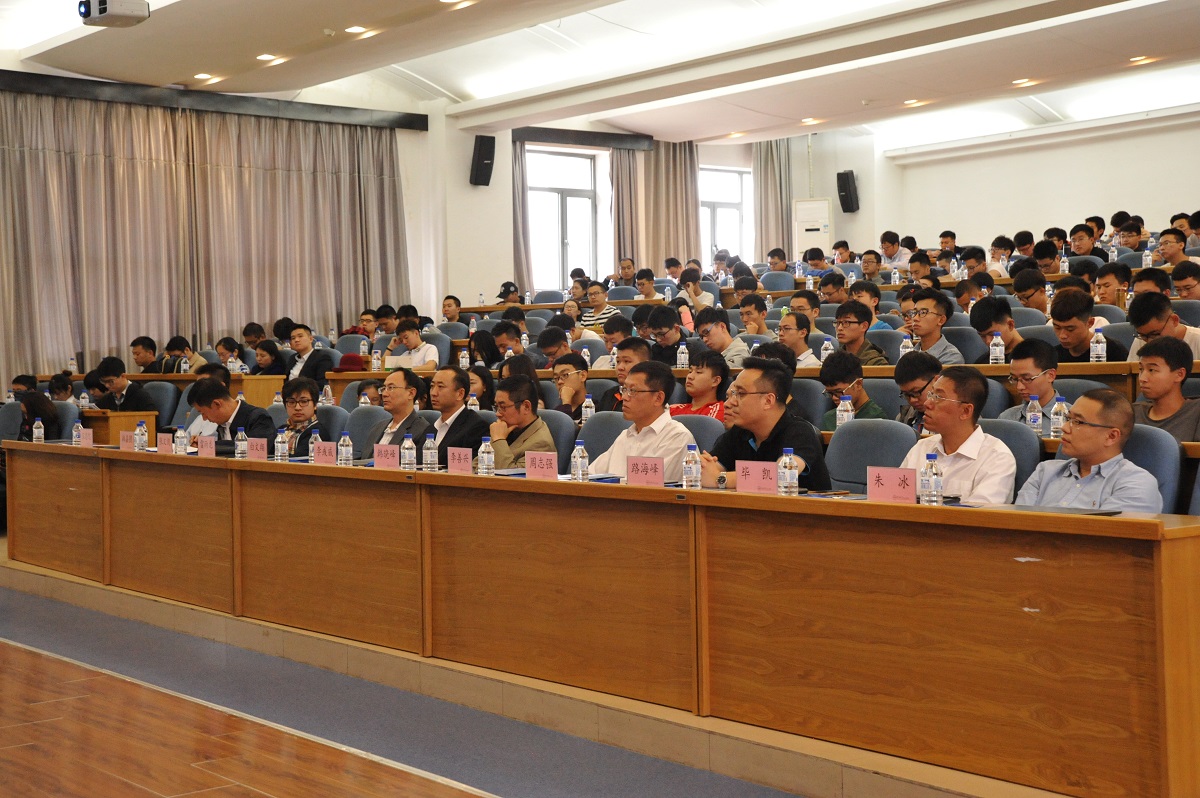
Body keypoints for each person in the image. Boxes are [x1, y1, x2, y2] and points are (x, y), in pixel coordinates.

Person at [1015, 389, 1160, 512]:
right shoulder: (1045, 472)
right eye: (1068, 418)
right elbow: (1016, 524)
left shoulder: (1136, 484)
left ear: (1111, 436)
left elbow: (1102, 535)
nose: (1064, 427)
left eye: (1077, 422)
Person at [701, 357, 830, 490]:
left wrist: (720, 479)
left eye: (740, 393)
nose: (729, 403)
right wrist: (703, 467)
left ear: (768, 401)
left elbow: (782, 475)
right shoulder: (739, 431)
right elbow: (707, 469)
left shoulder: (800, 431)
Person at [899, 366, 1016, 504]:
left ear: (966, 411)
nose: (927, 403)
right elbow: (895, 500)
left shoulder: (997, 458)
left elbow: (978, 514)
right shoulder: (921, 448)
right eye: (931, 394)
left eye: (938, 397)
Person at [590, 361, 696, 483]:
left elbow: (649, 487)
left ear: (658, 398)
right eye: (624, 389)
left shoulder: (677, 437)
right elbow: (589, 476)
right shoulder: (625, 436)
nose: (624, 397)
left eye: (633, 391)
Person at [1132, 336, 1200, 443]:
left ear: (1179, 374)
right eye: (1141, 369)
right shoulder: (1131, 413)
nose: (1142, 378)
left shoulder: (1196, 412)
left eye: (1152, 370)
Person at [190, 377, 275, 456]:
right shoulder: (222, 423)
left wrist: (209, 445)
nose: (204, 418)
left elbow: (253, 449)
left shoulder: (259, 418)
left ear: (217, 404)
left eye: (203, 413)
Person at [488, 375, 556, 470]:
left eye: (503, 407)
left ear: (526, 406)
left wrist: (498, 440)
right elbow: (476, 466)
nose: (497, 414)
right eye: (496, 407)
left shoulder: (542, 444)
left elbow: (511, 476)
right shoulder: (506, 429)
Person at [998, 339, 1064, 434]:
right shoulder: (1006, 419)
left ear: (1050, 375)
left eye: (1027, 379)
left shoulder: (1072, 419)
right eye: (1014, 379)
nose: (1019, 387)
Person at [429, 366, 490, 466]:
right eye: (432, 386)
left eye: (440, 387)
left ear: (460, 394)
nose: (433, 393)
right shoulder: (431, 428)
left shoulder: (477, 428)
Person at [1050, 288, 1128, 363]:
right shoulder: (1052, 356)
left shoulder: (1114, 352)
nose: (1062, 336)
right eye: (1057, 328)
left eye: (1070, 329)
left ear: (1090, 323)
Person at [367, 367, 434, 452]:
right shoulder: (378, 427)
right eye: (383, 388)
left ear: (411, 393)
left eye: (391, 387)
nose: (384, 394)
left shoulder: (421, 430)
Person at [818, 351, 887, 431]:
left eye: (839, 392)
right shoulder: (828, 419)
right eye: (830, 393)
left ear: (858, 384)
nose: (834, 398)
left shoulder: (876, 419)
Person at [1126, 291, 1200, 360]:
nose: (1150, 342)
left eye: (1155, 334)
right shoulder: (1141, 340)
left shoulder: (1197, 340)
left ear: (1174, 320)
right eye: (1143, 335)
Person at [909, 288, 963, 365]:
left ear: (941, 320)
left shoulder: (951, 357)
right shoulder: (909, 353)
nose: (915, 318)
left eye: (923, 312)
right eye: (914, 312)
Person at [597, 337, 651, 413]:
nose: (620, 367)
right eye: (618, 361)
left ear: (645, 364)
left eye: (627, 361)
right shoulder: (610, 394)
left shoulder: (651, 396)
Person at [669, 350, 728, 421]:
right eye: (690, 371)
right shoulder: (672, 409)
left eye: (698, 372)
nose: (690, 376)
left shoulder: (721, 411)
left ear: (715, 381)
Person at [893, 351, 941, 433]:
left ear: (937, 381)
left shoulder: (955, 418)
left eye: (916, 392)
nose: (912, 400)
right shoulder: (904, 416)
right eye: (906, 394)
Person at [276, 377, 324, 459]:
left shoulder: (317, 434)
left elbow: (300, 460)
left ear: (315, 404)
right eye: (291, 402)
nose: (297, 407)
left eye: (304, 401)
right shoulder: (281, 430)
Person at [969, 295, 1025, 364]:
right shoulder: (982, 363)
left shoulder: (1034, 358)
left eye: (993, 334)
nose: (988, 341)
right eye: (982, 336)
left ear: (1010, 325)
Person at [93, 357, 158, 413]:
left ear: (123, 376)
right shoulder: (107, 398)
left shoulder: (140, 395)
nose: (107, 385)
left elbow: (152, 418)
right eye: (103, 382)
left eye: (111, 381)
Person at [834, 300, 889, 366]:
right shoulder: (835, 359)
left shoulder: (876, 362)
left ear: (864, 326)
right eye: (838, 323)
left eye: (846, 322)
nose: (839, 328)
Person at [550, 353, 589, 422]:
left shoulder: (593, 409)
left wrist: (566, 403)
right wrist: (566, 403)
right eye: (556, 378)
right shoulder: (556, 413)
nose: (559, 382)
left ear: (583, 376)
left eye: (565, 375)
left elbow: (568, 428)